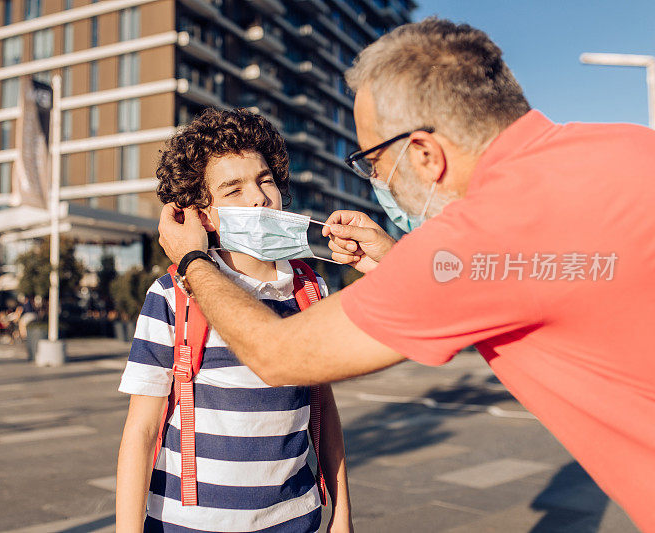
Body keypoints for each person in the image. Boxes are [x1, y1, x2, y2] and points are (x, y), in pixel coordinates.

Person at [156, 18, 655, 532]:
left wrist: (191, 259)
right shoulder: (628, 145)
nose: (374, 180)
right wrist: (398, 261)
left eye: (371, 161)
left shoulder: (482, 229)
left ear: (423, 154)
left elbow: (277, 354)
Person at [116, 109, 353, 532]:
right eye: (233, 189)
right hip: (188, 523)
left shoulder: (310, 289)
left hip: (295, 518)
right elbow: (142, 429)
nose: (258, 197)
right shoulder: (172, 294)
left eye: (265, 180)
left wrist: (343, 513)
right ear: (201, 214)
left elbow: (324, 407)